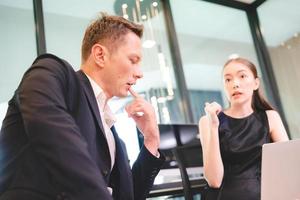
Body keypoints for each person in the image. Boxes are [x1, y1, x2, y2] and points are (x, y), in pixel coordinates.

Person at [0, 13, 165, 200]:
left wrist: (151, 140)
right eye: (133, 60)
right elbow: (55, 139)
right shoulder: (53, 73)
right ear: (100, 55)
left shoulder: (111, 131)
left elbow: (128, 195)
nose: (140, 73)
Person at [199, 57, 289, 200]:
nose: (235, 84)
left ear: (256, 83)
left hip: (264, 195)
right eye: (228, 80)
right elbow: (214, 181)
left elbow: (289, 166)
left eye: (242, 76)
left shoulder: (270, 117)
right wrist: (213, 126)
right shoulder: (207, 121)